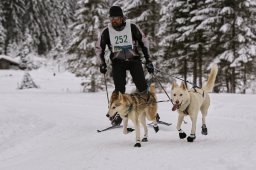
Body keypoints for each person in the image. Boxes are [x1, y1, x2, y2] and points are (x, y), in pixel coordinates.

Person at [95, 6, 154, 125]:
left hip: (134, 60)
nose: (113, 21)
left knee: (142, 87)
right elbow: (99, 48)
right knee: (119, 90)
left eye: (116, 18)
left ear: (122, 18)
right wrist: (102, 63)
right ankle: (118, 115)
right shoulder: (107, 31)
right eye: (111, 18)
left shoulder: (132, 27)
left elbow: (144, 42)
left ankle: (151, 113)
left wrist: (148, 60)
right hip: (118, 63)